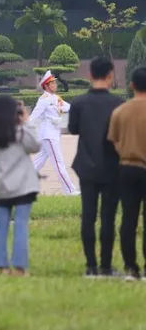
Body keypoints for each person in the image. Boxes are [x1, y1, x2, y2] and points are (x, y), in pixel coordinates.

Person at [68, 56, 124, 277]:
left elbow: (73, 129)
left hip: (86, 165)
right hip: (112, 166)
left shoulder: (79, 103)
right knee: (108, 217)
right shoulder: (118, 104)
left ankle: (90, 266)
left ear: (89, 75)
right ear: (111, 75)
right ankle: (106, 266)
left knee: (88, 215)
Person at [0, 95, 41, 277]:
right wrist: (26, 121)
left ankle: (2, 266)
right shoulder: (20, 132)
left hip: (3, 185)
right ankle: (19, 267)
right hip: (24, 185)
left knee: (2, 225)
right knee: (20, 224)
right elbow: (36, 145)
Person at [109, 67, 146, 281]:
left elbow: (114, 140)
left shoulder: (120, 111)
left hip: (127, 168)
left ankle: (131, 267)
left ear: (132, 85)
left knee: (129, 219)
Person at [29, 71, 78, 195]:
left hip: (53, 134)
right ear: (46, 85)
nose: (55, 85)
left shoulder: (56, 98)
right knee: (59, 163)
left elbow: (69, 107)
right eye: (53, 83)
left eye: (55, 82)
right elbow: (33, 118)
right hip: (48, 135)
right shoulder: (43, 100)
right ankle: (70, 191)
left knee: (37, 163)